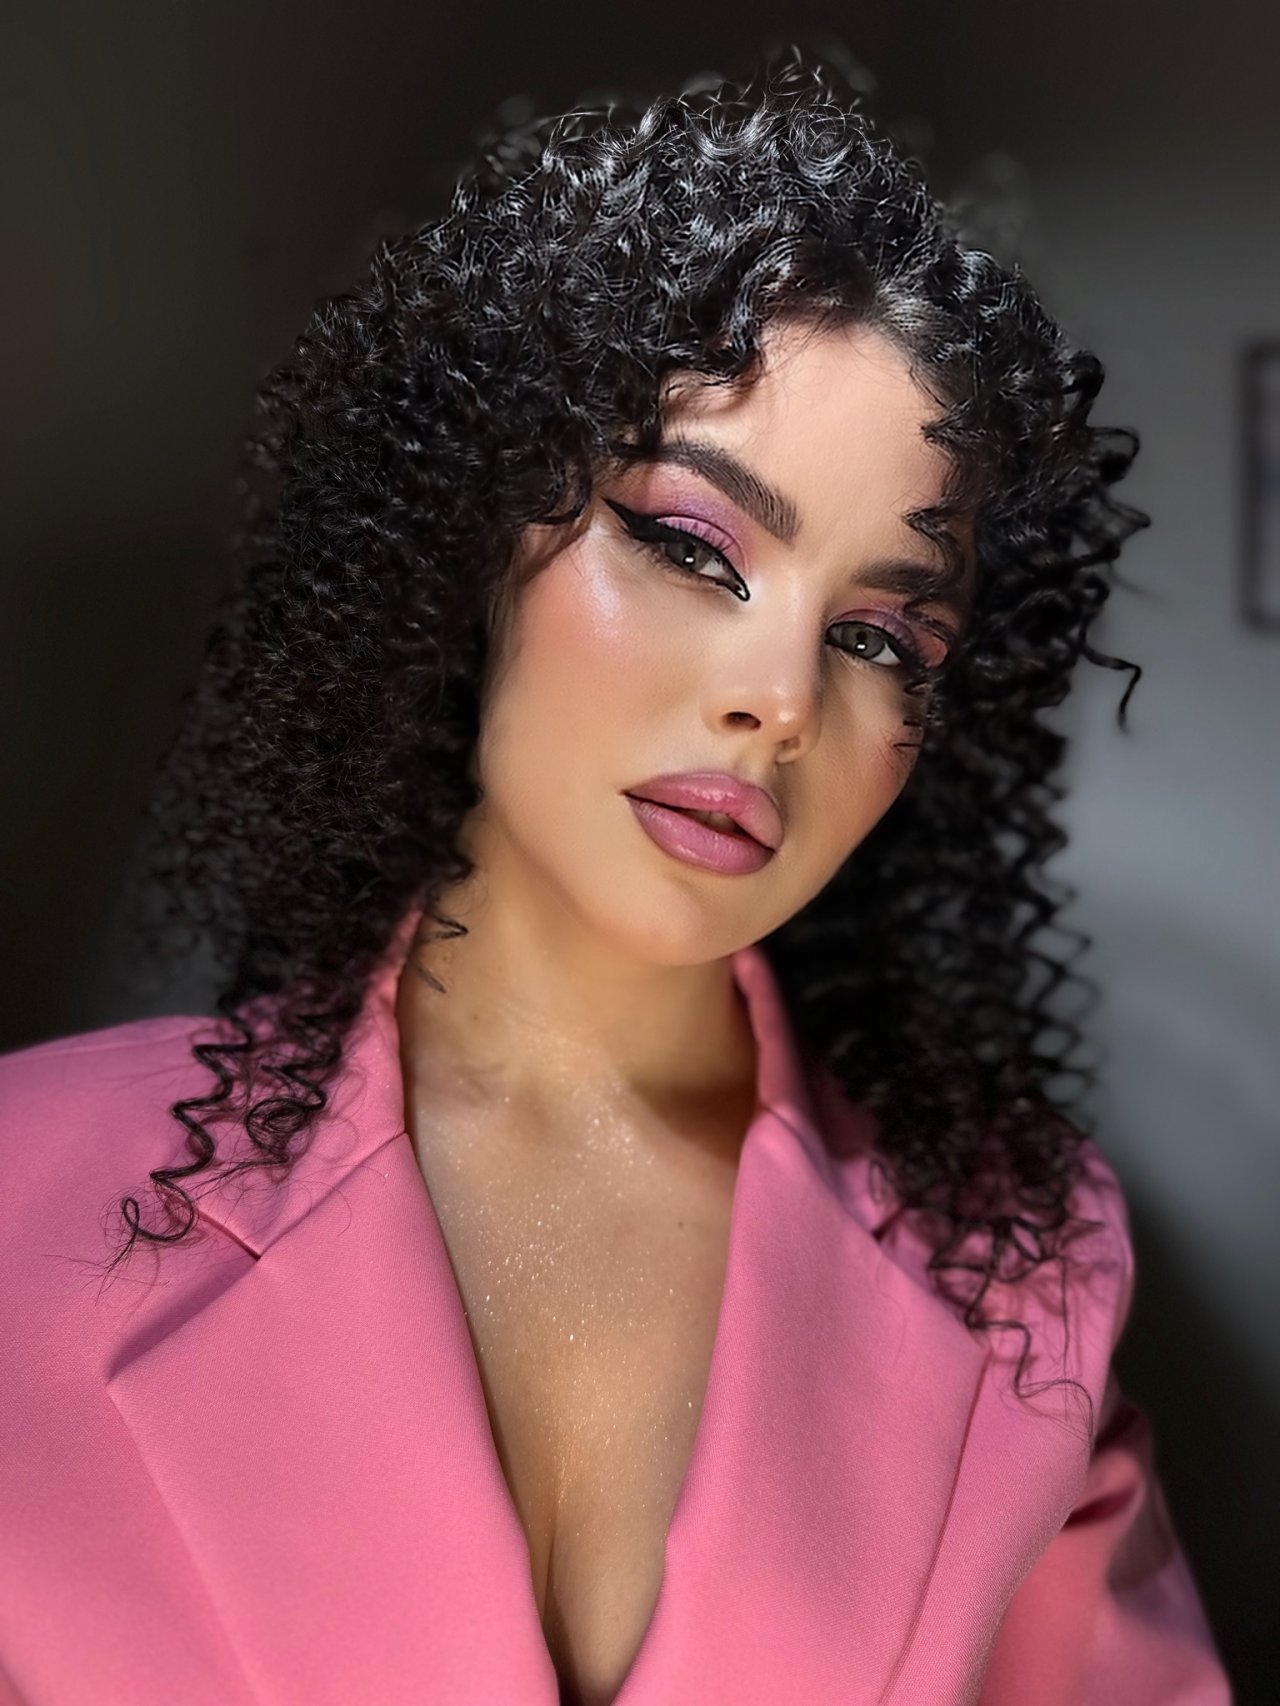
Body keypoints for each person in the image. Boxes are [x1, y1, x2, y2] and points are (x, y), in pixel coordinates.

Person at [0, 47, 1232, 1706]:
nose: (778, 698)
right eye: (689, 544)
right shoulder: (22, 1200)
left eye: (880, 637)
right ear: (477, 534)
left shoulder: (1020, 1269)